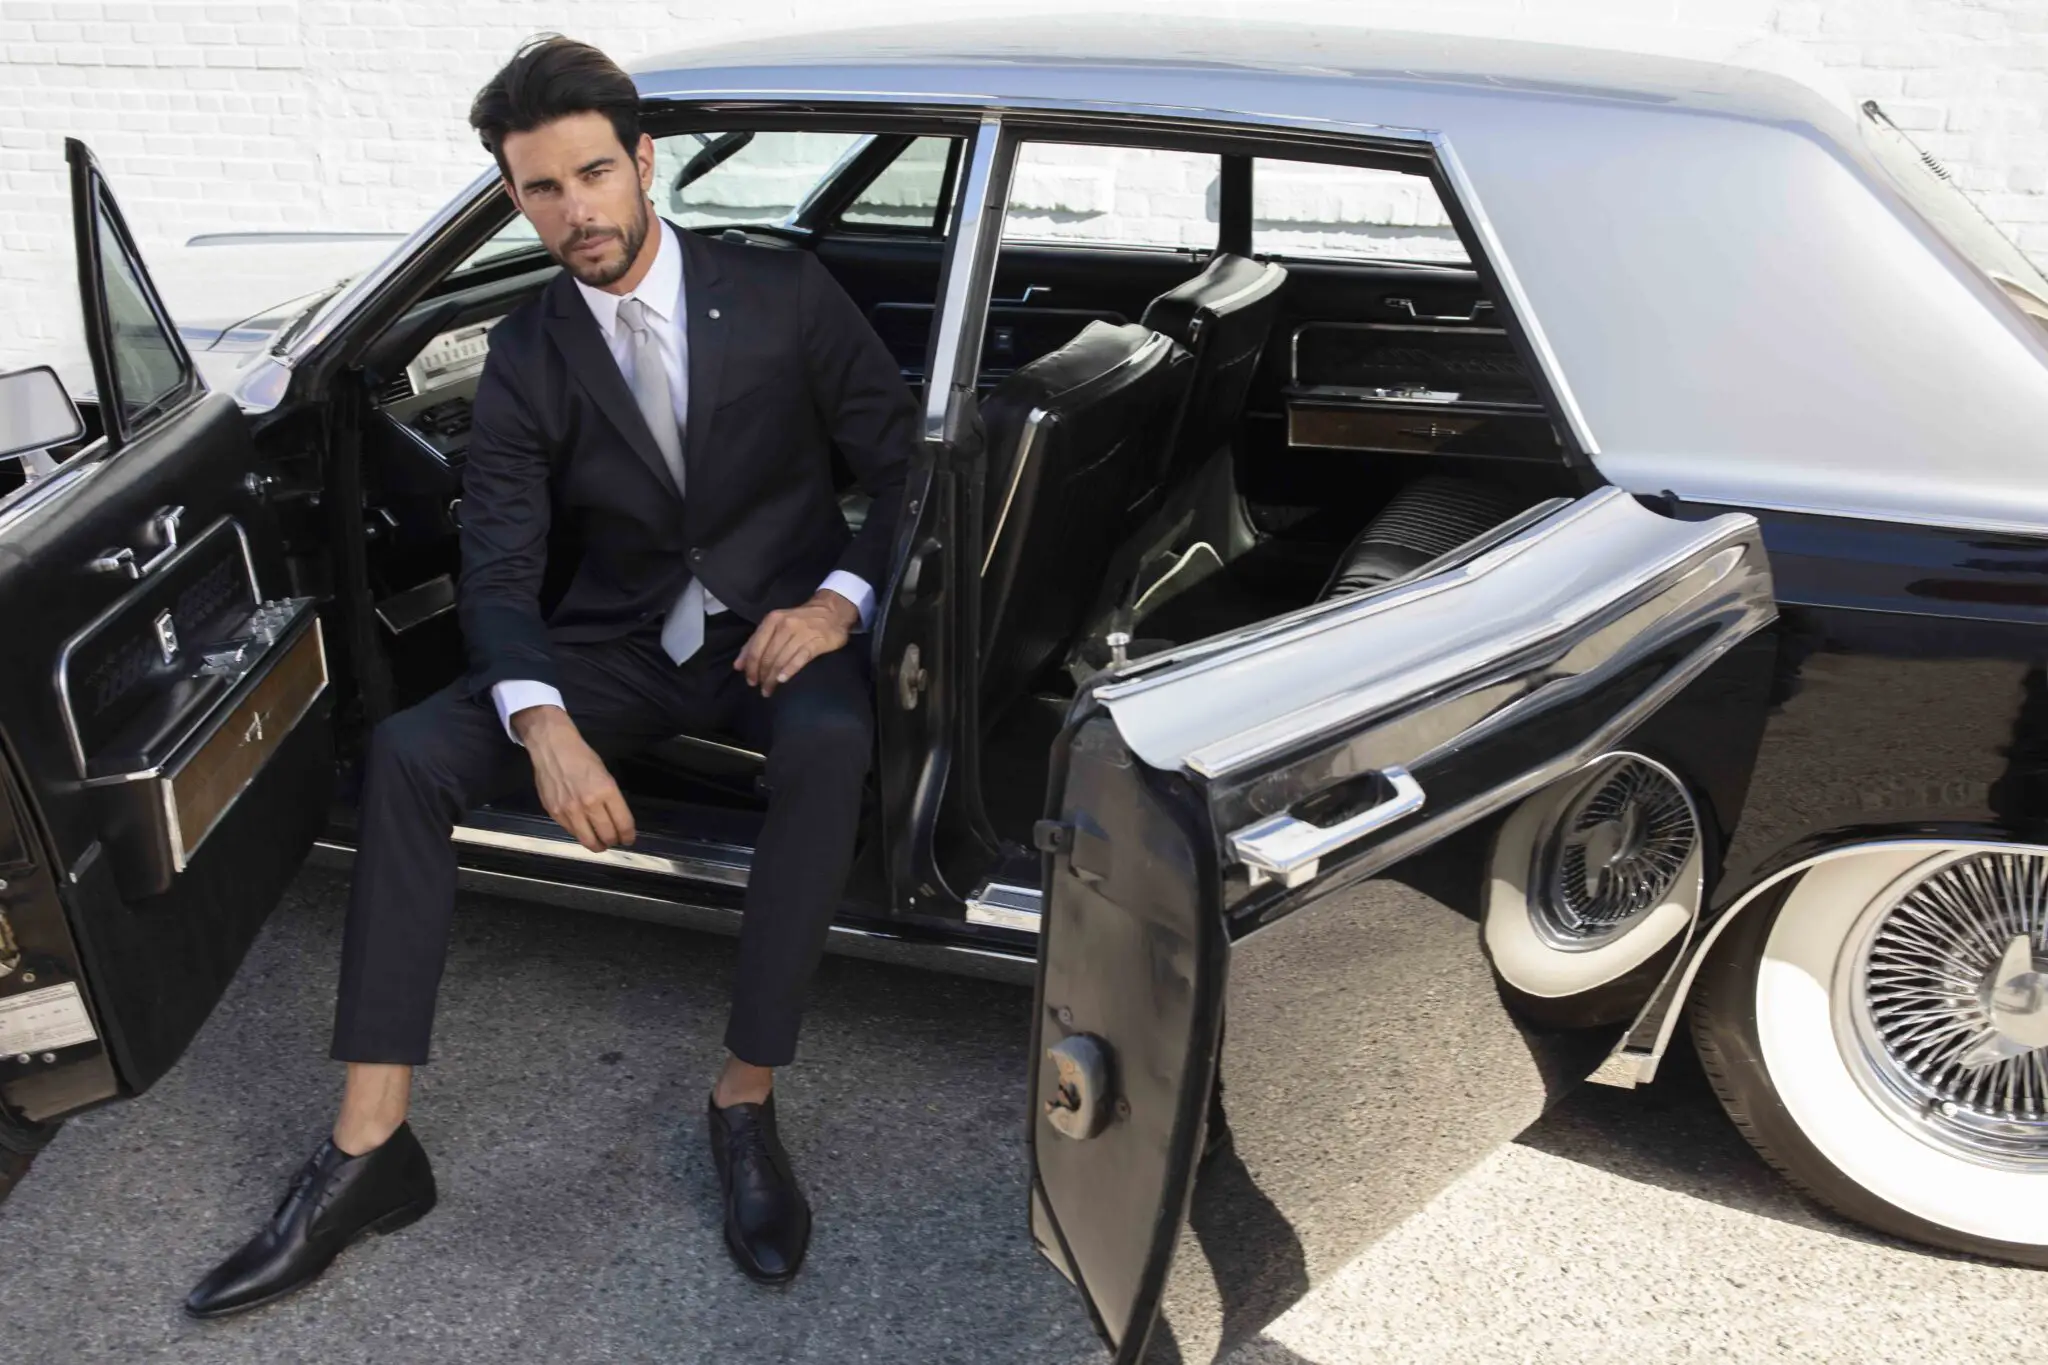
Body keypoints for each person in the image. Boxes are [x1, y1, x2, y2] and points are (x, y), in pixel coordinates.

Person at [184, 34, 914, 1316]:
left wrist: (835, 603)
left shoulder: (782, 291)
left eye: (593, 174)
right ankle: (368, 1148)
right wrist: (542, 723)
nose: (575, 211)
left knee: (828, 745)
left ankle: (744, 1099)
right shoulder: (525, 351)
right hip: (618, 642)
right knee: (411, 753)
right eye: (541, 190)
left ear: (644, 163)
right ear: (513, 199)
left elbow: (910, 469)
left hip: (779, 634)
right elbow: (500, 565)